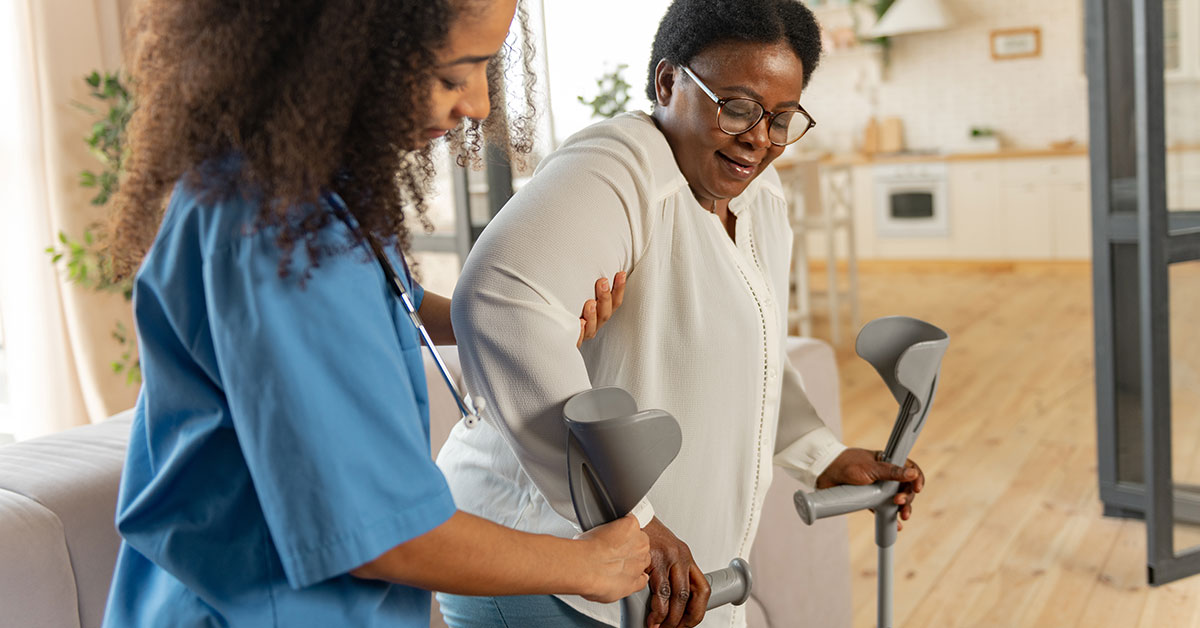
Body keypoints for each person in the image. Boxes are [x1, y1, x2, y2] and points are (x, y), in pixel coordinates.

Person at [100, 0, 650, 626]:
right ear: (347, 50)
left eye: (485, 70)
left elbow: (391, 303)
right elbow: (384, 532)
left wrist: (509, 317)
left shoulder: (307, 186)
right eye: (453, 75)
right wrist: (588, 566)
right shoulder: (282, 233)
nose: (478, 106)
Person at [436, 1, 926, 627]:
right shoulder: (618, 166)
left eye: (781, 118)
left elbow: (752, 355)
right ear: (668, 82)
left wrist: (818, 453)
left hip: (646, 581)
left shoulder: (761, 199)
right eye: (738, 106)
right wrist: (631, 517)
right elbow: (500, 306)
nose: (758, 136)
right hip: (542, 561)